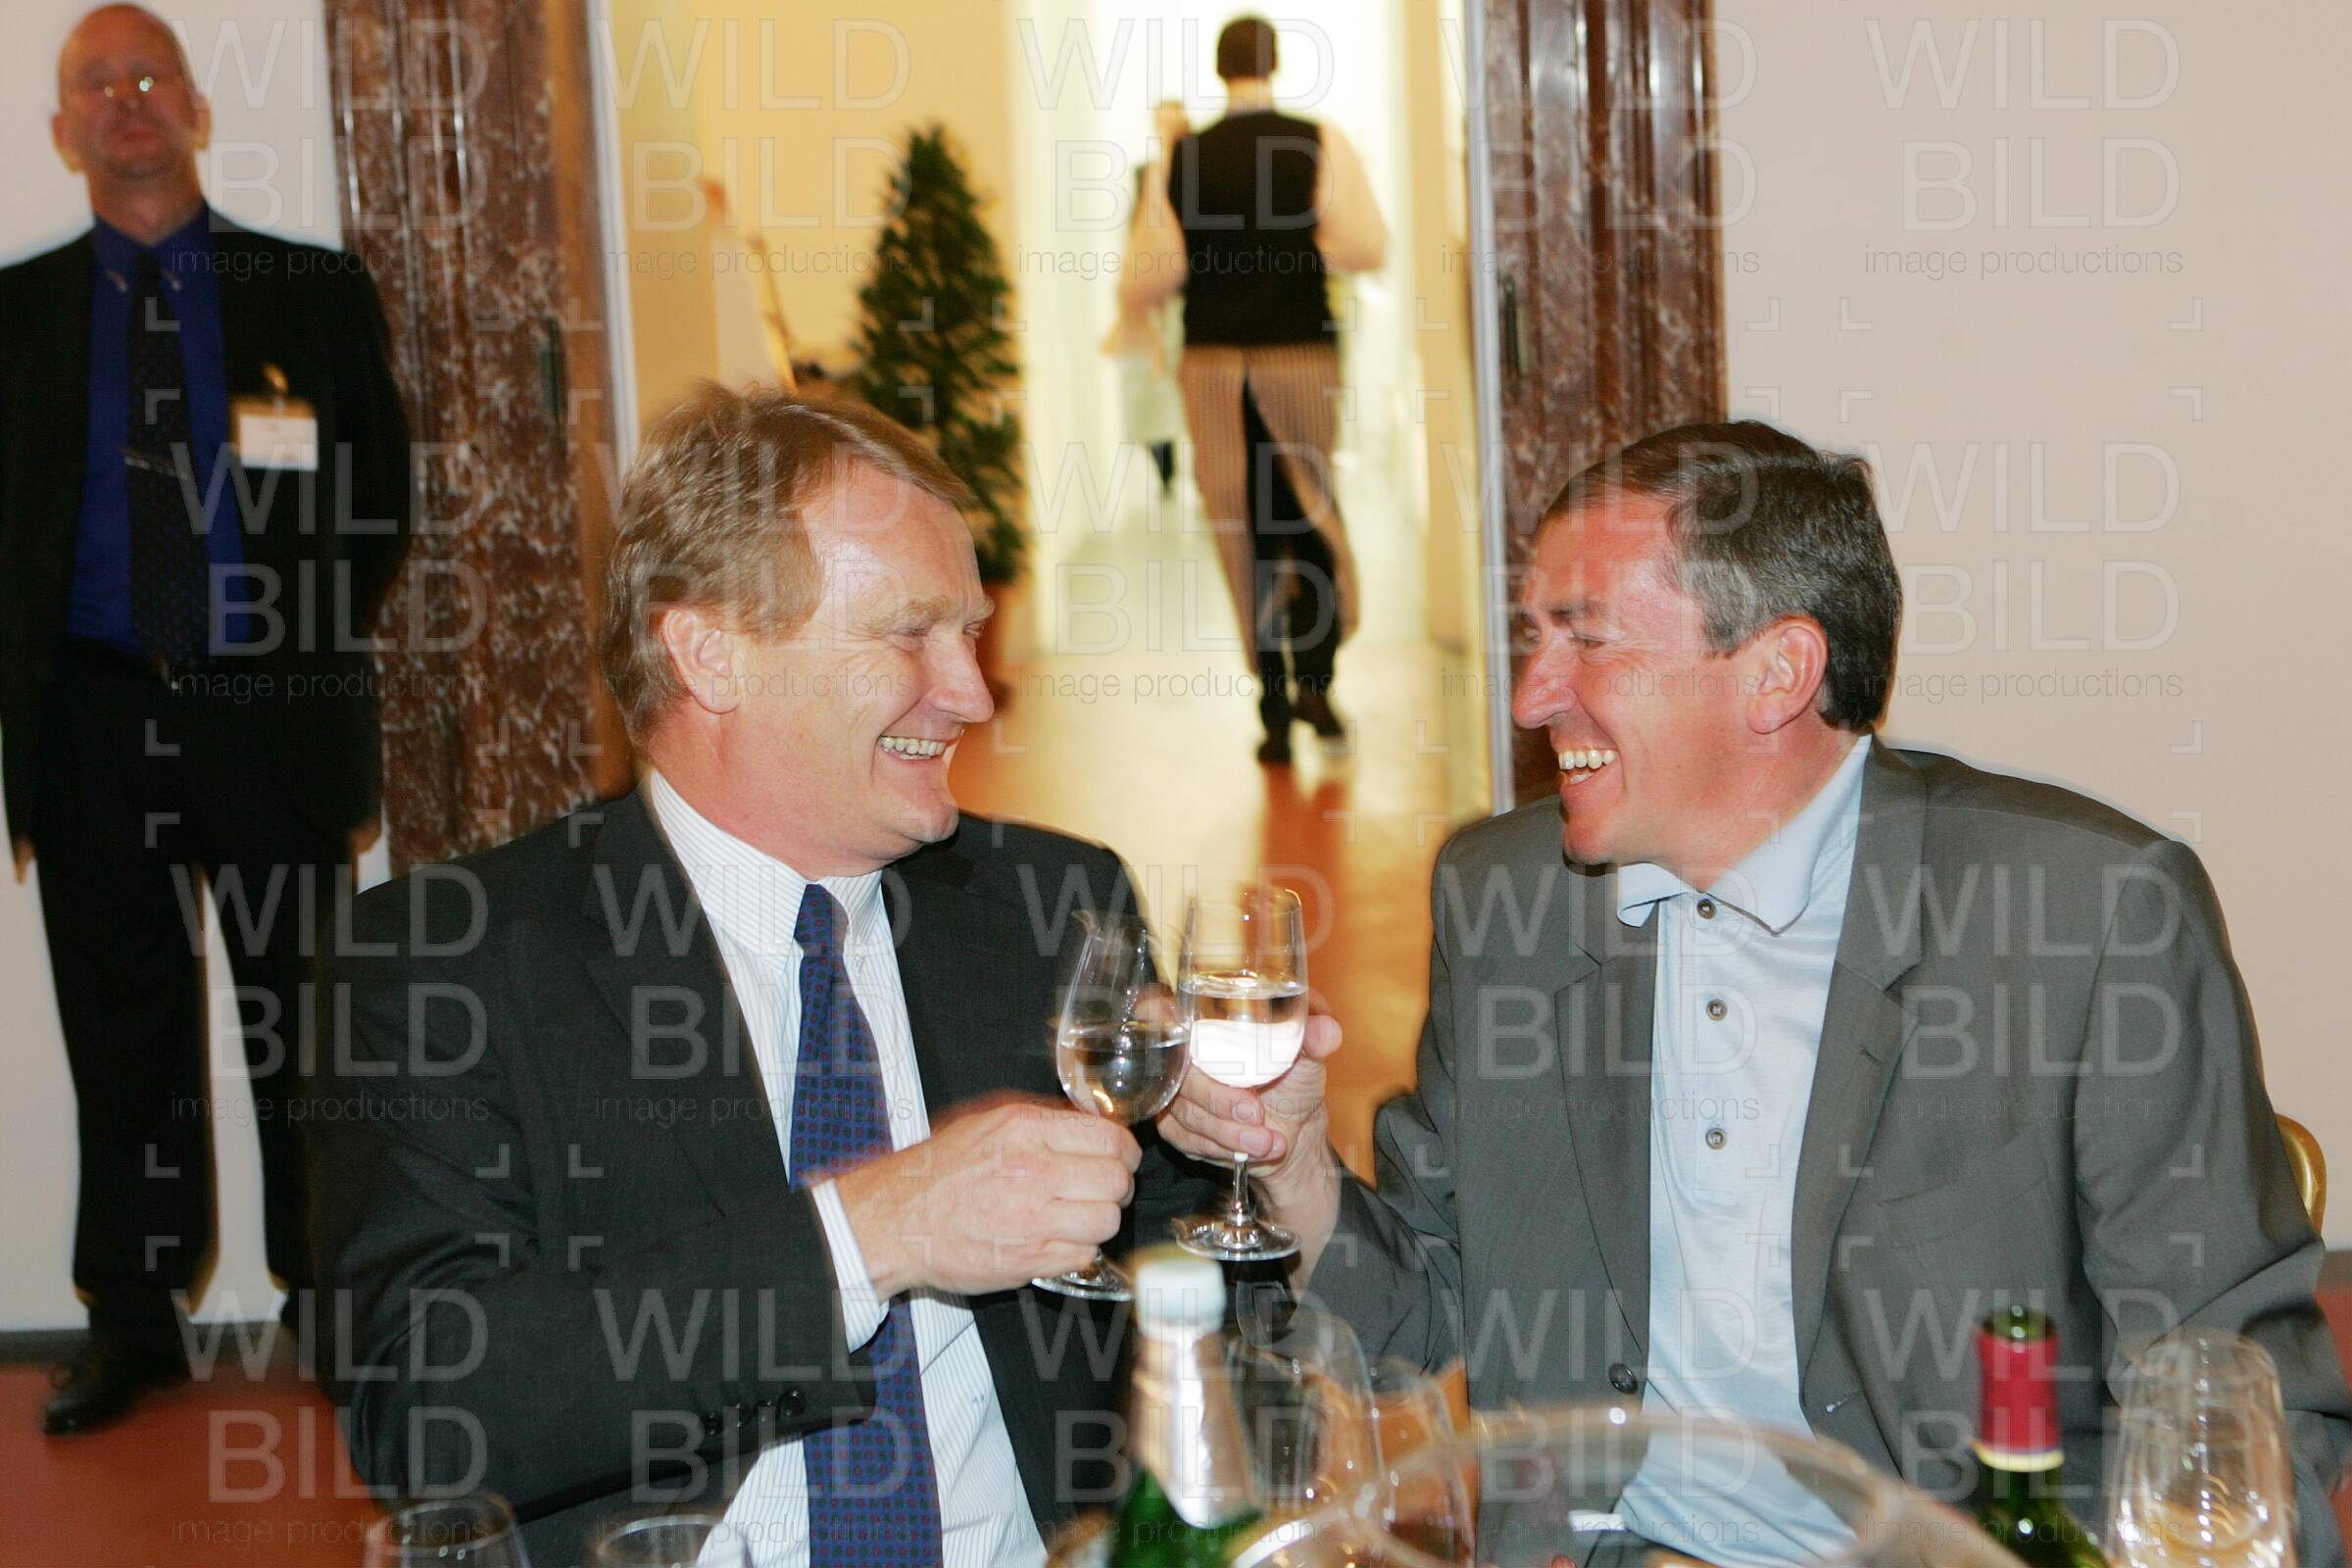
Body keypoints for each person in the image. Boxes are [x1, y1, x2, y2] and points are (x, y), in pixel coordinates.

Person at [1159, 421, 2352, 1565]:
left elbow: (2247, 1403)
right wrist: (1292, 1160)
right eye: (1534, 637)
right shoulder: (1508, 900)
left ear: (1778, 672)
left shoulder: (2084, 916)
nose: (1531, 696)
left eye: (1588, 639)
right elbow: (1416, 1318)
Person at [307, 386, 1216, 1568]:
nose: (972, 693)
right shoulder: (452, 956)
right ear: (712, 654)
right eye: (911, 634)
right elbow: (427, 1408)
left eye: (970, 633)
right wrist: (870, 1233)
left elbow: (1199, 1297)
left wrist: (1270, 1161)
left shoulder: (1050, 907)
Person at [0, 4, 412, 1435]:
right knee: (122, 1036)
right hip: (90, 719)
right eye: (95, 85)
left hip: (267, 714)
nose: (126, 99)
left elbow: (376, 501)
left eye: (149, 74)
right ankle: (134, 1320)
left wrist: (287, 645)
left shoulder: (311, 290)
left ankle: (332, 1296)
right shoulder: (15, 315)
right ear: (62, 132)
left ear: (195, 105)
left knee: (307, 1026)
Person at [1120, 16, 1387, 765]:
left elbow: (1152, 274)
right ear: (1276, 64)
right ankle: (1319, 686)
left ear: (1219, 67)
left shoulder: (1184, 154)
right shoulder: (1316, 139)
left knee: (1246, 531)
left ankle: (1271, 710)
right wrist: (1299, 247)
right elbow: (1365, 245)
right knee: (1311, 516)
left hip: (1213, 365)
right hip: (1299, 353)